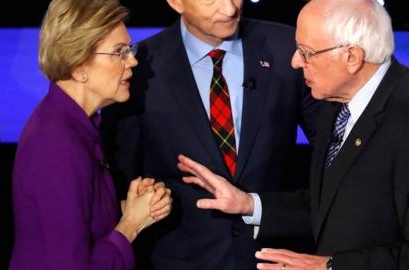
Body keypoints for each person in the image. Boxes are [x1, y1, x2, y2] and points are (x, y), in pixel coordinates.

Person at [176, 0, 409, 269]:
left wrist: (329, 267)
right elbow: (329, 204)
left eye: (306, 52)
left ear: (352, 57)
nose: (294, 62)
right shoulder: (335, 101)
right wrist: (248, 204)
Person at [100, 0, 322, 269]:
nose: (230, 9)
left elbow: (338, 157)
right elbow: (119, 178)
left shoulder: (288, 48)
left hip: (276, 258)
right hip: (180, 260)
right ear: (175, 2)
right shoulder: (138, 68)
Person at [10, 0, 172, 269]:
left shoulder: (72, 124)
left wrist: (130, 207)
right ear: (78, 67)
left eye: (128, 50)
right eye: (119, 52)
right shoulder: (56, 145)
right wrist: (130, 224)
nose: (132, 61)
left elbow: (77, 222)